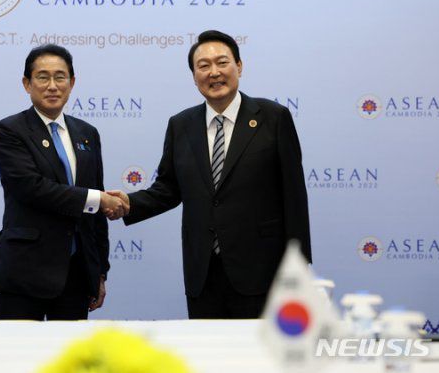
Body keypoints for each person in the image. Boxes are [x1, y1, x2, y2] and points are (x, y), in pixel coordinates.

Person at [108, 30, 311, 319]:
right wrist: (129, 203)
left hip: (262, 270)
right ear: (194, 76)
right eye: (203, 66)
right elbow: (168, 189)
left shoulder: (273, 117)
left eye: (222, 62)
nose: (214, 72)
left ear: (239, 66)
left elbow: (294, 195)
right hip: (203, 273)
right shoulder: (181, 125)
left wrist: (299, 266)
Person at [0, 44, 124, 320]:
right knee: (19, 349)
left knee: (71, 350)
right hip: (25, 272)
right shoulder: (10, 130)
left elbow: (95, 216)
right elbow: (31, 188)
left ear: (72, 83)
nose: (52, 86)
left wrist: (99, 271)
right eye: (42, 77)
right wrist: (97, 199)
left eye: (60, 77)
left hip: (76, 273)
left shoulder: (87, 133)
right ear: (27, 84)